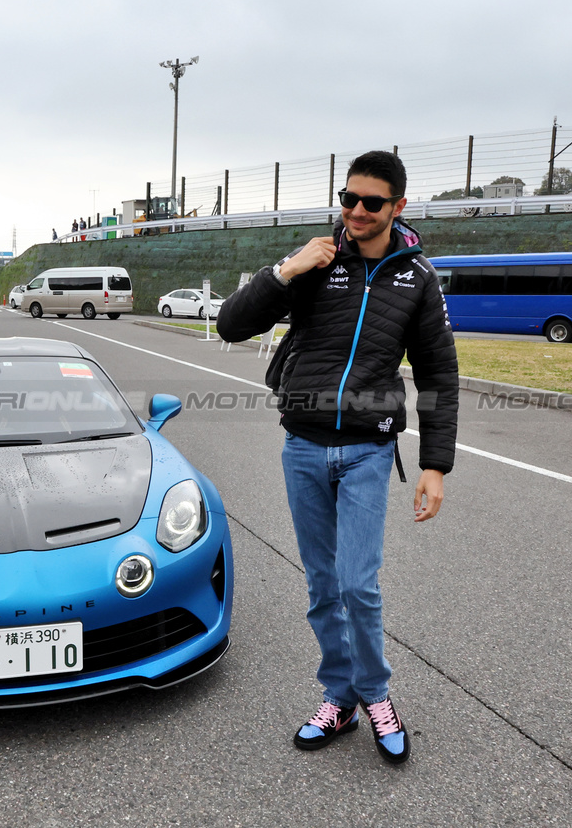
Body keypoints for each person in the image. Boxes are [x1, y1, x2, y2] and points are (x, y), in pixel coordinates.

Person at [217, 150, 458, 764]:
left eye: (369, 202)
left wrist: (434, 464)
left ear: (397, 207)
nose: (354, 211)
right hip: (302, 446)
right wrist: (288, 268)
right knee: (324, 587)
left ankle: (375, 695)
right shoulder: (317, 262)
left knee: (359, 585)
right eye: (347, 199)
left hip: (368, 451)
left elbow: (438, 372)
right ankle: (340, 699)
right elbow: (231, 326)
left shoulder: (417, 277)